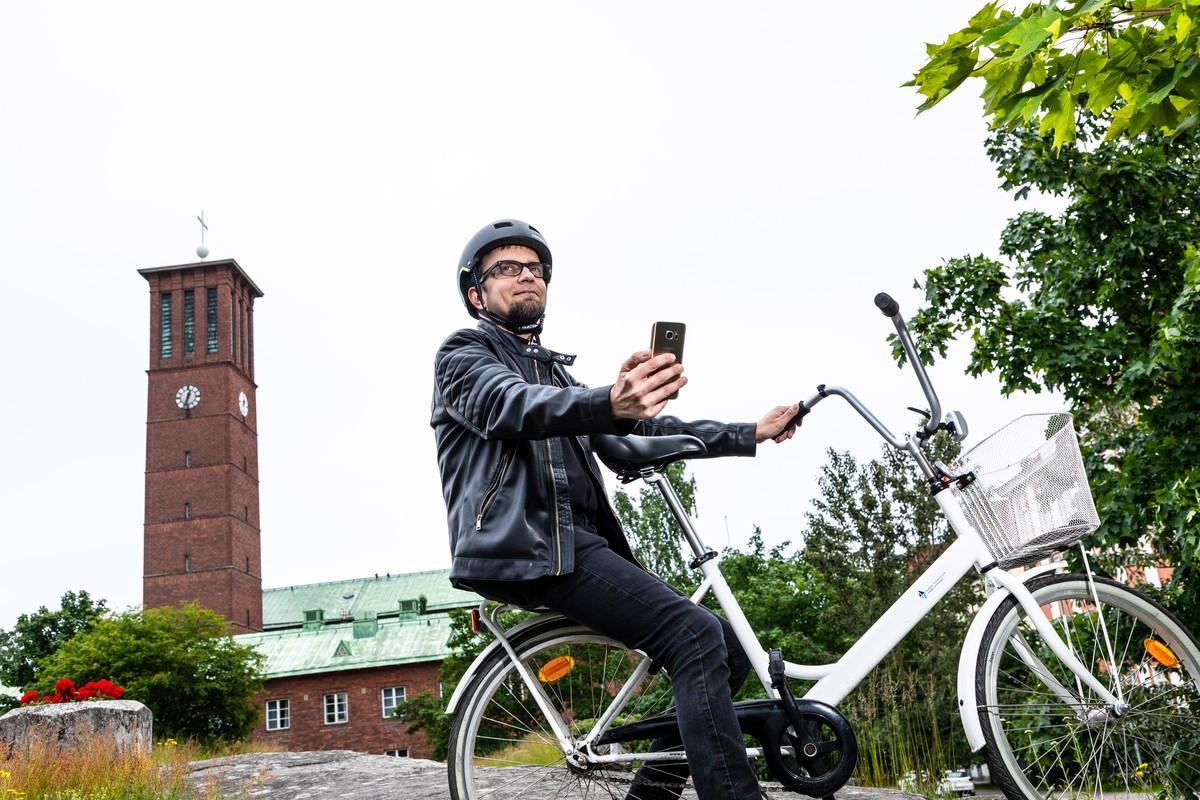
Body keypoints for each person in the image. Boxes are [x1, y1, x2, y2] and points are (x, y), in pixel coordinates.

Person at [431, 219, 800, 800]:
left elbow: (633, 441)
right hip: (529, 545)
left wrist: (749, 432)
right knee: (694, 636)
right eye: (506, 268)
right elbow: (511, 405)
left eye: (535, 268)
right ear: (477, 293)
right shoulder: (463, 354)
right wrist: (608, 399)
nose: (526, 275)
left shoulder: (554, 373)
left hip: (574, 545)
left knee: (723, 650)